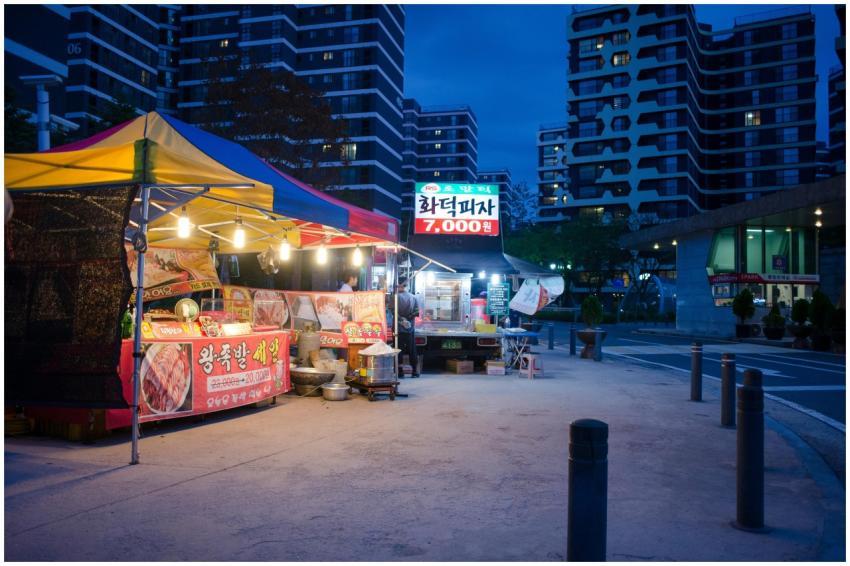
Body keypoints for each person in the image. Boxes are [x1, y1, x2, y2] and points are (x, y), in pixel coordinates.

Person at [395, 276, 419, 378]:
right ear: (407, 286)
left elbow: (393, 312)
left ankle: (400, 372)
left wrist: (401, 320)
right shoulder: (413, 297)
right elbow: (417, 312)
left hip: (398, 329)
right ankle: (414, 372)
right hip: (410, 329)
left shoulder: (395, 297)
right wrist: (408, 320)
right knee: (412, 350)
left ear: (398, 285)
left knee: (399, 351)